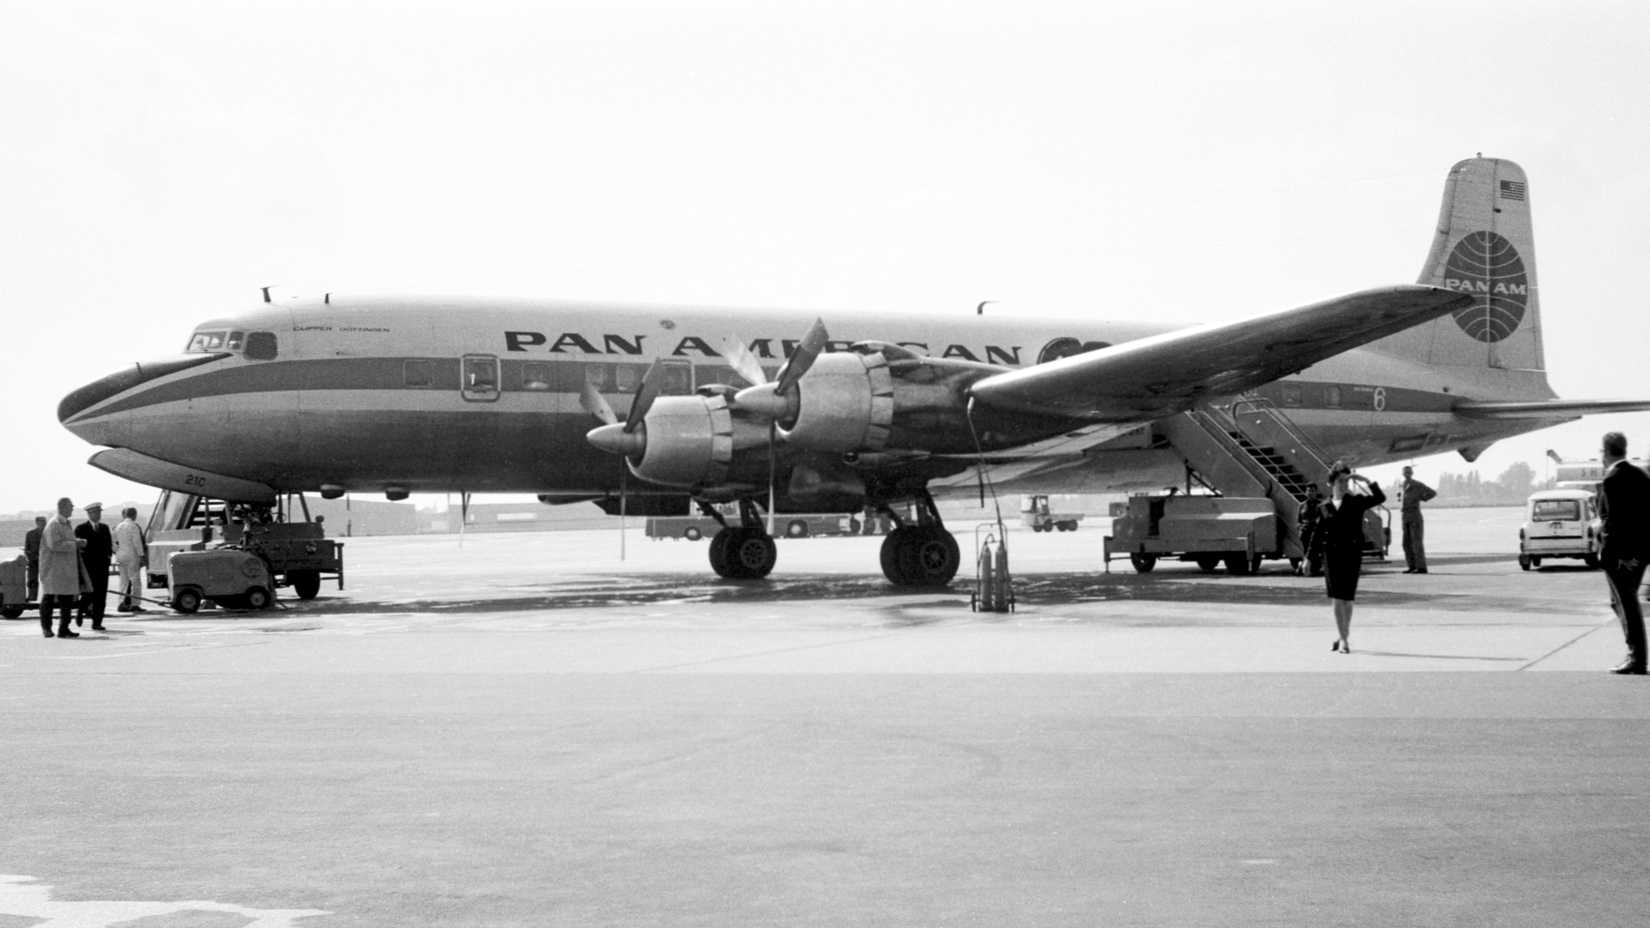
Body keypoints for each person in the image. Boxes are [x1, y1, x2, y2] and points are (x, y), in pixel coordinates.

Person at [1597, 431, 1650, 675]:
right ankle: (1637, 655)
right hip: (1640, 552)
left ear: (1606, 452)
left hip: (1620, 555)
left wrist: (1609, 555)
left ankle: (1636, 657)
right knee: (1625, 602)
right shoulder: (1641, 475)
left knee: (1625, 603)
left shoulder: (1612, 479)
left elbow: (1613, 523)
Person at [1319, 461, 1385, 654]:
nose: (1344, 485)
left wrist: (1365, 480)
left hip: (1351, 555)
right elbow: (1318, 532)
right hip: (1331, 557)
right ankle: (1345, 640)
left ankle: (1341, 636)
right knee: (1337, 598)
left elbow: (1380, 497)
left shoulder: (1356, 501)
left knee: (1348, 598)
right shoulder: (1324, 506)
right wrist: (1308, 557)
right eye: (1340, 481)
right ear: (1331, 483)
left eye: (1346, 481)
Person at [38, 498, 89, 638]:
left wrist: (76, 542)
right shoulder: (54, 524)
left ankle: (63, 629)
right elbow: (54, 545)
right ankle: (46, 628)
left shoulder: (65, 523)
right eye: (71, 507)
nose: (72, 509)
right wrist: (75, 544)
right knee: (49, 597)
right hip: (53, 569)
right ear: (63, 507)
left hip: (65, 568)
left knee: (66, 599)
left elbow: (65, 542)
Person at [75, 502, 114, 631]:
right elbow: (78, 549)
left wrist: (108, 559)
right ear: (89, 514)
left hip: (102, 567)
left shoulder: (104, 528)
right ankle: (81, 611)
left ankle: (97, 622)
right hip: (88, 568)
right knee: (88, 594)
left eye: (99, 513)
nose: (98, 515)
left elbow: (108, 546)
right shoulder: (81, 528)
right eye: (95, 513)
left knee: (101, 595)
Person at [1398, 465, 1437, 574]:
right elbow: (1400, 498)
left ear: (1412, 473)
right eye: (1405, 472)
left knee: (1416, 542)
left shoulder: (1417, 484)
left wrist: (1422, 498)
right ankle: (1412, 566)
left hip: (1414, 515)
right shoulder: (1401, 485)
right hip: (1405, 515)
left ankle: (1421, 567)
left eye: (1408, 472)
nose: (1407, 474)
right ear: (1402, 473)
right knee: (1406, 543)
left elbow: (1432, 493)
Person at [113, 506, 148, 613]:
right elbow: (137, 542)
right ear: (134, 515)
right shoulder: (133, 526)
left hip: (121, 555)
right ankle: (135, 604)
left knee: (123, 581)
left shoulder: (118, 526)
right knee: (135, 580)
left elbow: (114, 543)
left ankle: (121, 603)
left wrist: (117, 552)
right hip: (132, 555)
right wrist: (142, 555)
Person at [1296, 483, 1324, 577]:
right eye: (1308, 490)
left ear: (1316, 492)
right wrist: (1300, 527)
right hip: (1305, 533)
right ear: (1305, 492)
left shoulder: (1321, 505)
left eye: (1312, 491)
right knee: (1305, 552)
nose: (1310, 493)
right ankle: (1305, 568)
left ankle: (1315, 569)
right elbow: (1298, 521)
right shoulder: (1301, 505)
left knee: (1315, 552)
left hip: (1316, 533)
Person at [23, 515, 45, 604]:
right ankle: (32, 597)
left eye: (44, 521)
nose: (43, 523)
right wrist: (29, 557)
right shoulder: (30, 534)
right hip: (33, 561)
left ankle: (48, 597)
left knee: (47, 580)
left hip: (46, 560)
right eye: (41, 521)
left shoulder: (49, 533)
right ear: (37, 522)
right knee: (32, 580)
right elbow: (26, 548)